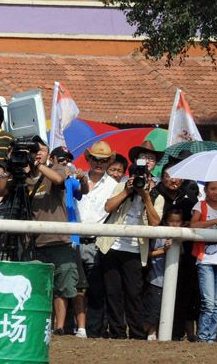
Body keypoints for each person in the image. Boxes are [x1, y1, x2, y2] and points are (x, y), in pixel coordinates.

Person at [97, 152, 164, 339]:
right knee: (113, 292)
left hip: (135, 250)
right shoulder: (121, 186)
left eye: (144, 178)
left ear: (150, 179)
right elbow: (108, 207)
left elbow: (155, 222)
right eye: (137, 178)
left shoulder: (156, 195)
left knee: (134, 294)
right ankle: (117, 332)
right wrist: (127, 191)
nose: (140, 181)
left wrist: (146, 196)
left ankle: (137, 333)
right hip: (111, 246)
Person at [27, 140, 82, 336]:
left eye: (40, 151)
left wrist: (39, 166)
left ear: (48, 154)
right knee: (37, 287)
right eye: (33, 152)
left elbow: (59, 180)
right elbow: (1, 191)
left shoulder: (57, 168)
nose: (36, 154)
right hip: (36, 241)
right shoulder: (24, 177)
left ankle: (59, 328)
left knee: (62, 287)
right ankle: (40, 325)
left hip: (60, 240)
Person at [150, 151, 200, 341]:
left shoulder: (189, 197)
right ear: (162, 177)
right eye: (169, 176)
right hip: (157, 253)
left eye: (177, 176)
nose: (173, 180)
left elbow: (196, 219)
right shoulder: (154, 194)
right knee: (153, 292)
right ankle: (151, 330)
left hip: (184, 253)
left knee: (183, 292)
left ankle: (177, 333)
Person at [76, 141, 119, 338]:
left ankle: (92, 329)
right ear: (89, 159)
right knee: (71, 286)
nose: (99, 163)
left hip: (96, 241)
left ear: (109, 162)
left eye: (103, 160)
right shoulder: (77, 179)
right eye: (96, 159)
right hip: (74, 239)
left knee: (94, 287)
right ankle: (71, 326)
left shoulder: (114, 186)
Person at [49, 146, 89, 338]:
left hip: (72, 238)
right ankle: (58, 326)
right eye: (61, 159)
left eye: (67, 160)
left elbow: (84, 191)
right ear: (52, 159)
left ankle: (81, 328)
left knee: (77, 284)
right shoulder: (45, 180)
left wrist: (83, 178)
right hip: (49, 238)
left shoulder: (70, 181)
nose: (65, 163)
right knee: (54, 285)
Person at [190, 181, 217, 343]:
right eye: (213, 189)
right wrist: (215, 221)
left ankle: (211, 337)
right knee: (208, 302)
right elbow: (193, 225)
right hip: (205, 259)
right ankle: (203, 337)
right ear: (206, 190)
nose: (216, 192)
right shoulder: (201, 205)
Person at [144, 209, 185, 341]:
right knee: (153, 309)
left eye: (177, 222)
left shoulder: (179, 238)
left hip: (171, 281)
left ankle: (163, 332)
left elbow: (181, 256)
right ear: (166, 222)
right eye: (171, 221)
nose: (174, 224)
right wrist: (164, 250)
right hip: (156, 279)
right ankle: (150, 332)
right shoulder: (159, 235)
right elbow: (149, 254)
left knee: (166, 308)